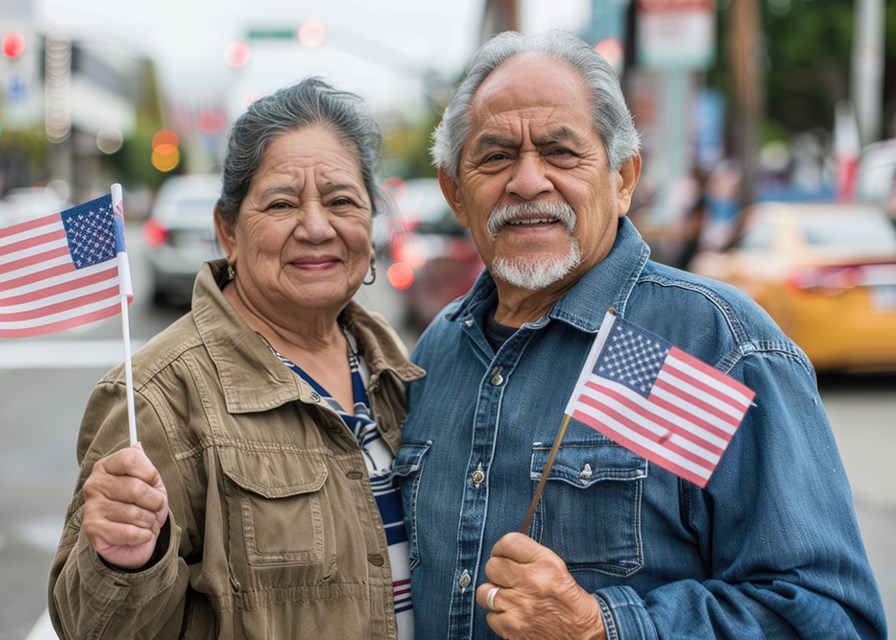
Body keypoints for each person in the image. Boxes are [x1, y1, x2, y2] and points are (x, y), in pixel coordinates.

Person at [396, 30, 887, 639]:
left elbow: (832, 619)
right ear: (455, 192)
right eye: (495, 156)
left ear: (624, 178)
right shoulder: (437, 353)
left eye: (561, 152)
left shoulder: (712, 347)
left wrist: (602, 626)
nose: (527, 181)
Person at [48, 77, 424, 639]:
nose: (317, 227)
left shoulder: (399, 368)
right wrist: (122, 560)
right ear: (229, 231)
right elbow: (92, 629)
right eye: (281, 202)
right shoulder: (157, 395)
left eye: (342, 200)